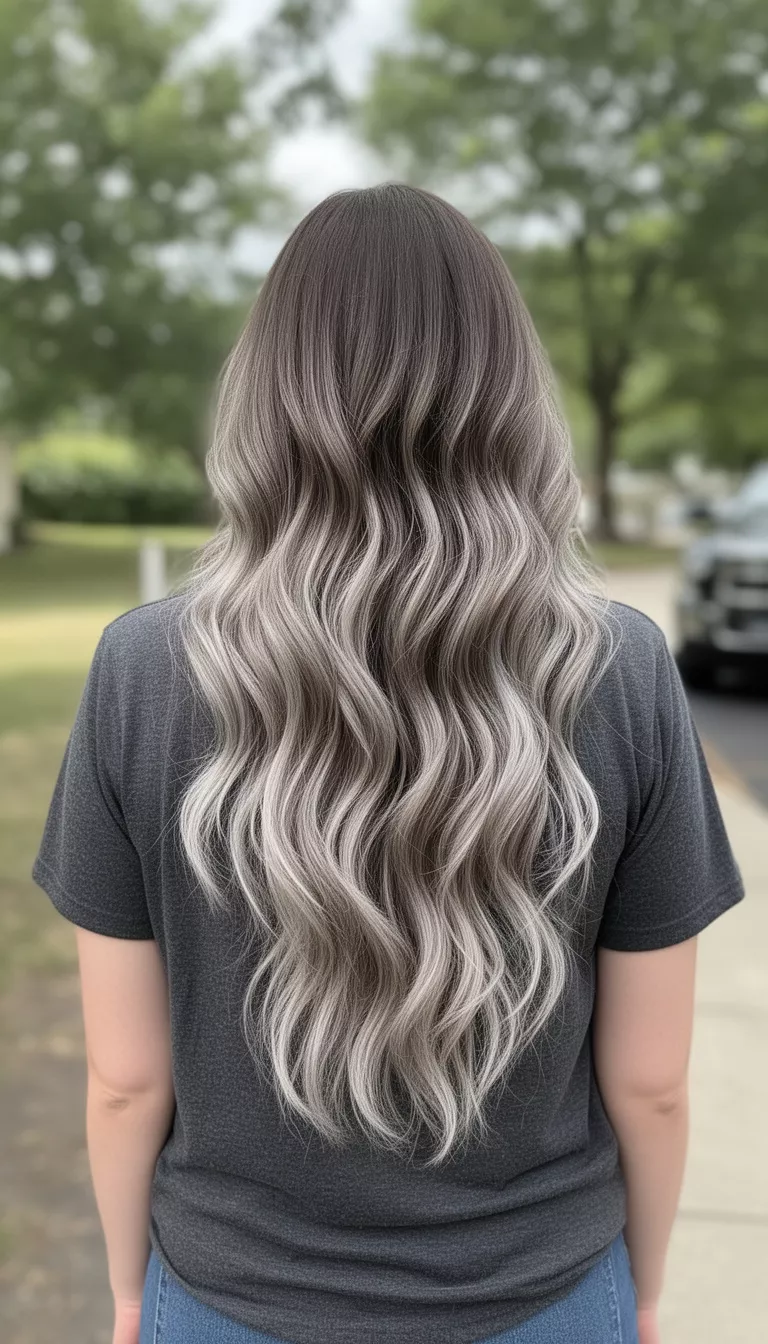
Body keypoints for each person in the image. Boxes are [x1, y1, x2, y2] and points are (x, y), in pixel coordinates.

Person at [33, 183, 746, 1344]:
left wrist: (125, 1291)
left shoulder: (142, 669)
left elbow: (123, 1082)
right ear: (511, 395)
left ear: (267, 397)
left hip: (229, 1300)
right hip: (546, 1299)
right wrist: (648, 1291)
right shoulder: (620, 669)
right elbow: (654, 1085)